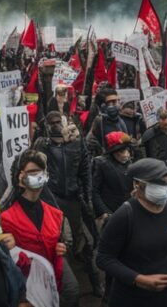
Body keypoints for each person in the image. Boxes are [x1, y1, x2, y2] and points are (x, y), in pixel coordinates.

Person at [96, 157, 167, 307]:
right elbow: (103, 258)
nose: (165, 187)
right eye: (157, 182)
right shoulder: (124, 215)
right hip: (132, 297)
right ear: (137, 184)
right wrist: (139, 280)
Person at [31, 111, 101, 295]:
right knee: (61, 241)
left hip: (74, 199)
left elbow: (85, 172)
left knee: (86, 241)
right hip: (53, 200)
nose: (55, 125)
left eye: (58, 121)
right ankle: (64, 285)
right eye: (51, 122)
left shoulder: (77, 143)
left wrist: (88, 199)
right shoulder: (42, 145)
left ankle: (96, 283)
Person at [0, 149, 79, 306]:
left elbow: (62, 240)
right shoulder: (6, 218)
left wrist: (63, 246)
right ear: (20, 176)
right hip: (29, 279)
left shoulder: (56, 214)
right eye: (31, 172)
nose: (36, 176)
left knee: (72, 292)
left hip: (54, 269)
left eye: (40, 171)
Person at [92, 132, 134, 227]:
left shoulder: (130, 163)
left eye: (127, 150)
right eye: (122, 151)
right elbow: (94, 191)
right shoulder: (101, 164)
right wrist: (104, 212)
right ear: (114, 152)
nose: (126, 154)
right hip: (111, 212)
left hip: (128, 210)